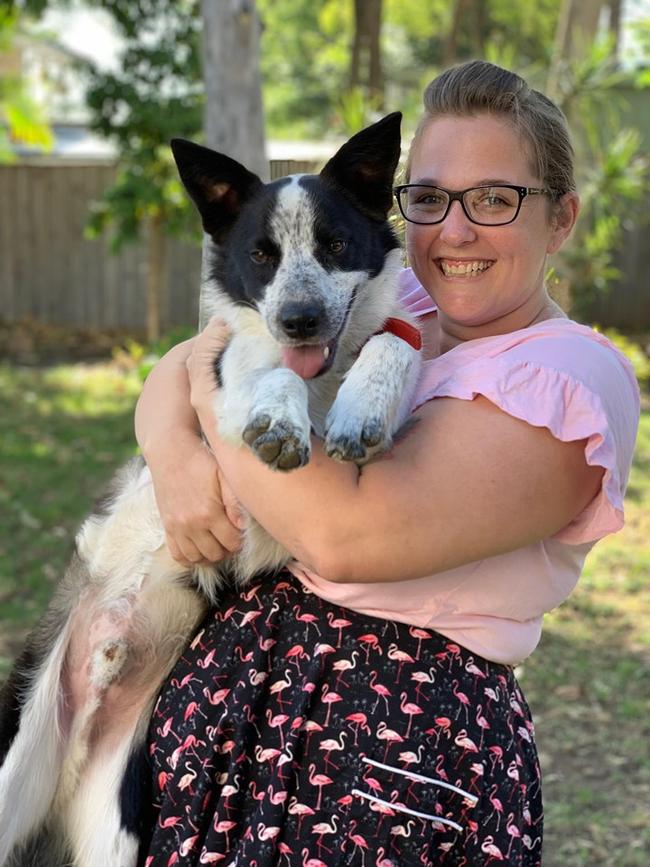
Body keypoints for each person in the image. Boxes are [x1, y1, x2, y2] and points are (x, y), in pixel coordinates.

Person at [133, 60, 640, 866]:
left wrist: (207, 400)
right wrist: (169, 452)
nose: (456, 231)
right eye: (431, 198)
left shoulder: (569, 377)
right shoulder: (385, 310)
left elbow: (343, 534)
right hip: (227, 735)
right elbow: (187, 358)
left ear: (564, 218)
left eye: (496, 199)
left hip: (392, 770)